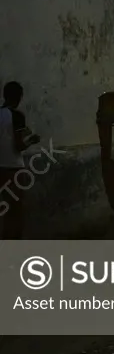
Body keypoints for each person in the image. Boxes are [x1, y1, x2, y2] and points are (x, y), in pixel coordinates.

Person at [0, 81, 40, 239]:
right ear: (19, 97)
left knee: (5, 212)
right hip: (13, 169)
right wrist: (32, 140)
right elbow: (19, 146)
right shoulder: (17, 116)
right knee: (16, 212)